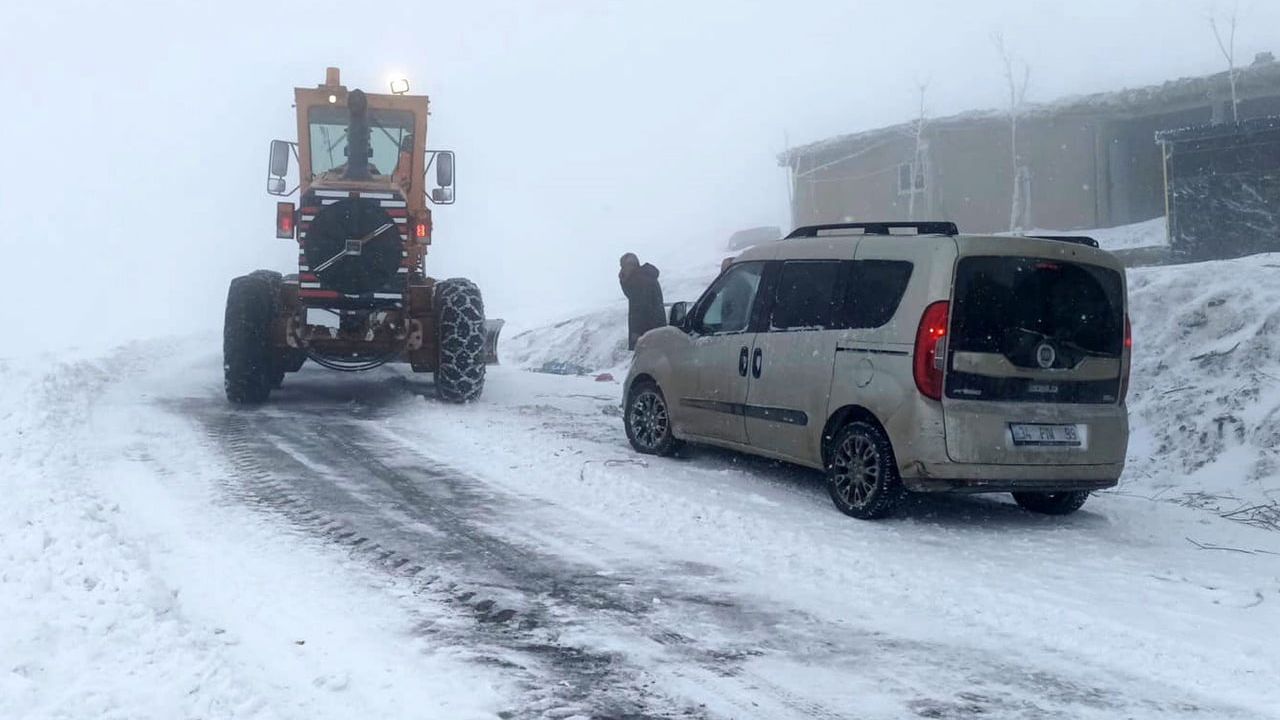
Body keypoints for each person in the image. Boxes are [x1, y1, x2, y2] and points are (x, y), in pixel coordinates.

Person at [619, 253, 666, 350]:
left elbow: (639, 309)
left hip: (647, 334)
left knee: (648, 362)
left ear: (630, 266)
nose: (622, 270)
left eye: (623, 267)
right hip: (655, 330)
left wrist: (637, 334)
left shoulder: (639, 281)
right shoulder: (645, 277)